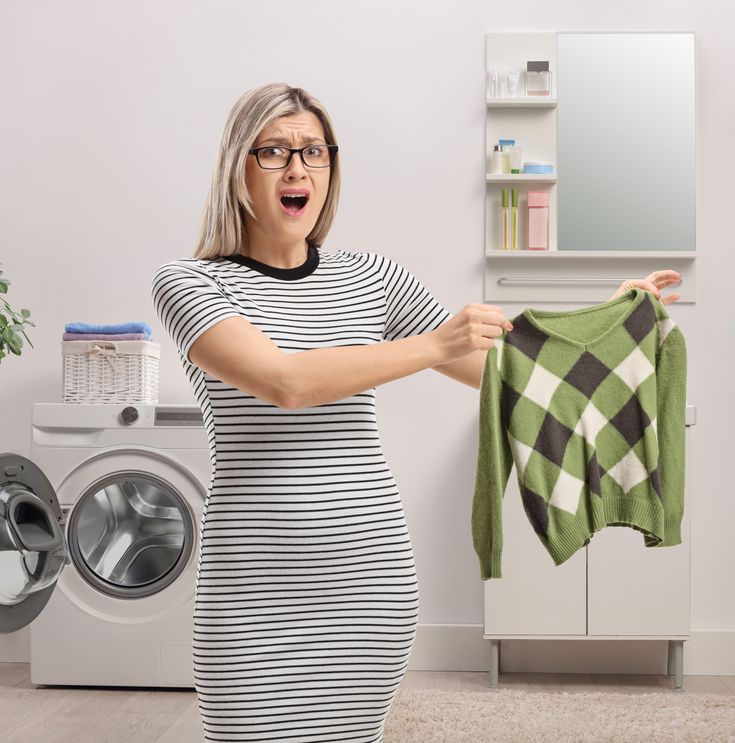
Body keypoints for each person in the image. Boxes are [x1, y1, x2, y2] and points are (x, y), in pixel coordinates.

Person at [151, 82, 682, 742]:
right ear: (236, 165)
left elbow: (505, 370)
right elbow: (282, 382)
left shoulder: (371, 277)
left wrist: (609, 315)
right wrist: (430, 343)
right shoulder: (192, 282)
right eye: (273, 151)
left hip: (369, 579)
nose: (297, 169)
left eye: (314, 151)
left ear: (330, 168)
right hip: (253, 591)